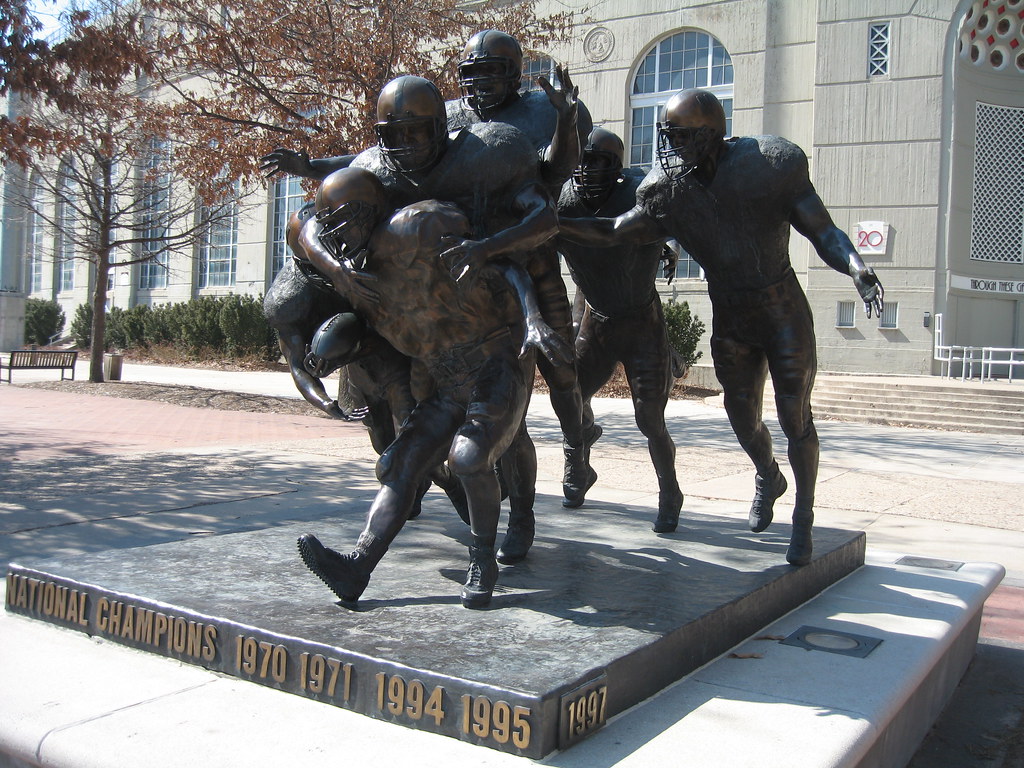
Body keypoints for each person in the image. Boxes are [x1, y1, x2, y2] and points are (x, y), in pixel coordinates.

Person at [558, 89, 884, 567]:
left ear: (711, 136)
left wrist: (857, 267)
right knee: (741, 415)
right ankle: (768, 474)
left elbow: (823, 230)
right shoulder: (668, 191)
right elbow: (614, 231)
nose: (672, 148)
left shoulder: (767, 166)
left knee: (795, 416)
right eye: (667, 136)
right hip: (731, 315)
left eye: (682, 137)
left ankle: (804, 518)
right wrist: (551, 224)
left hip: (781, 310)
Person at [297, 166, 559, 608]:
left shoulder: (418, 230)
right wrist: (334, 294)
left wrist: (533, 320)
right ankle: (358, 566)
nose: (336, 238)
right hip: (447, 379)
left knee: (468, 457)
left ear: (367, 210)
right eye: (331, 229)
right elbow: (303, 231)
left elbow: (504, 269)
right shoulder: (362, 275)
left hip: (496, 364)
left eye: (341, 223)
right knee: (397, 464)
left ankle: (482, 559)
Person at [264, 203, 468, 522]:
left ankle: (443, 485)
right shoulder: (288, 300)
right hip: (358, 373)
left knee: (412, 443)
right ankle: (424, 487)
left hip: (393, 357)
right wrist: (326, 402)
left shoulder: (361, 255)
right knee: (383, 445)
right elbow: (297, 367)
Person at [557, 127, 684, 533]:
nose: (587, 170)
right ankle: (579, 455)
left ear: (617, 166)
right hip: (597, 317)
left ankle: (669, 490)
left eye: (598, 162)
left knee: (650, 419)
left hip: (641, 321)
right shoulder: (562, 198)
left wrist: (667, 244)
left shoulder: (641, 190)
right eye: (582, 161)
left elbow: (679, 220)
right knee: (571, 398)